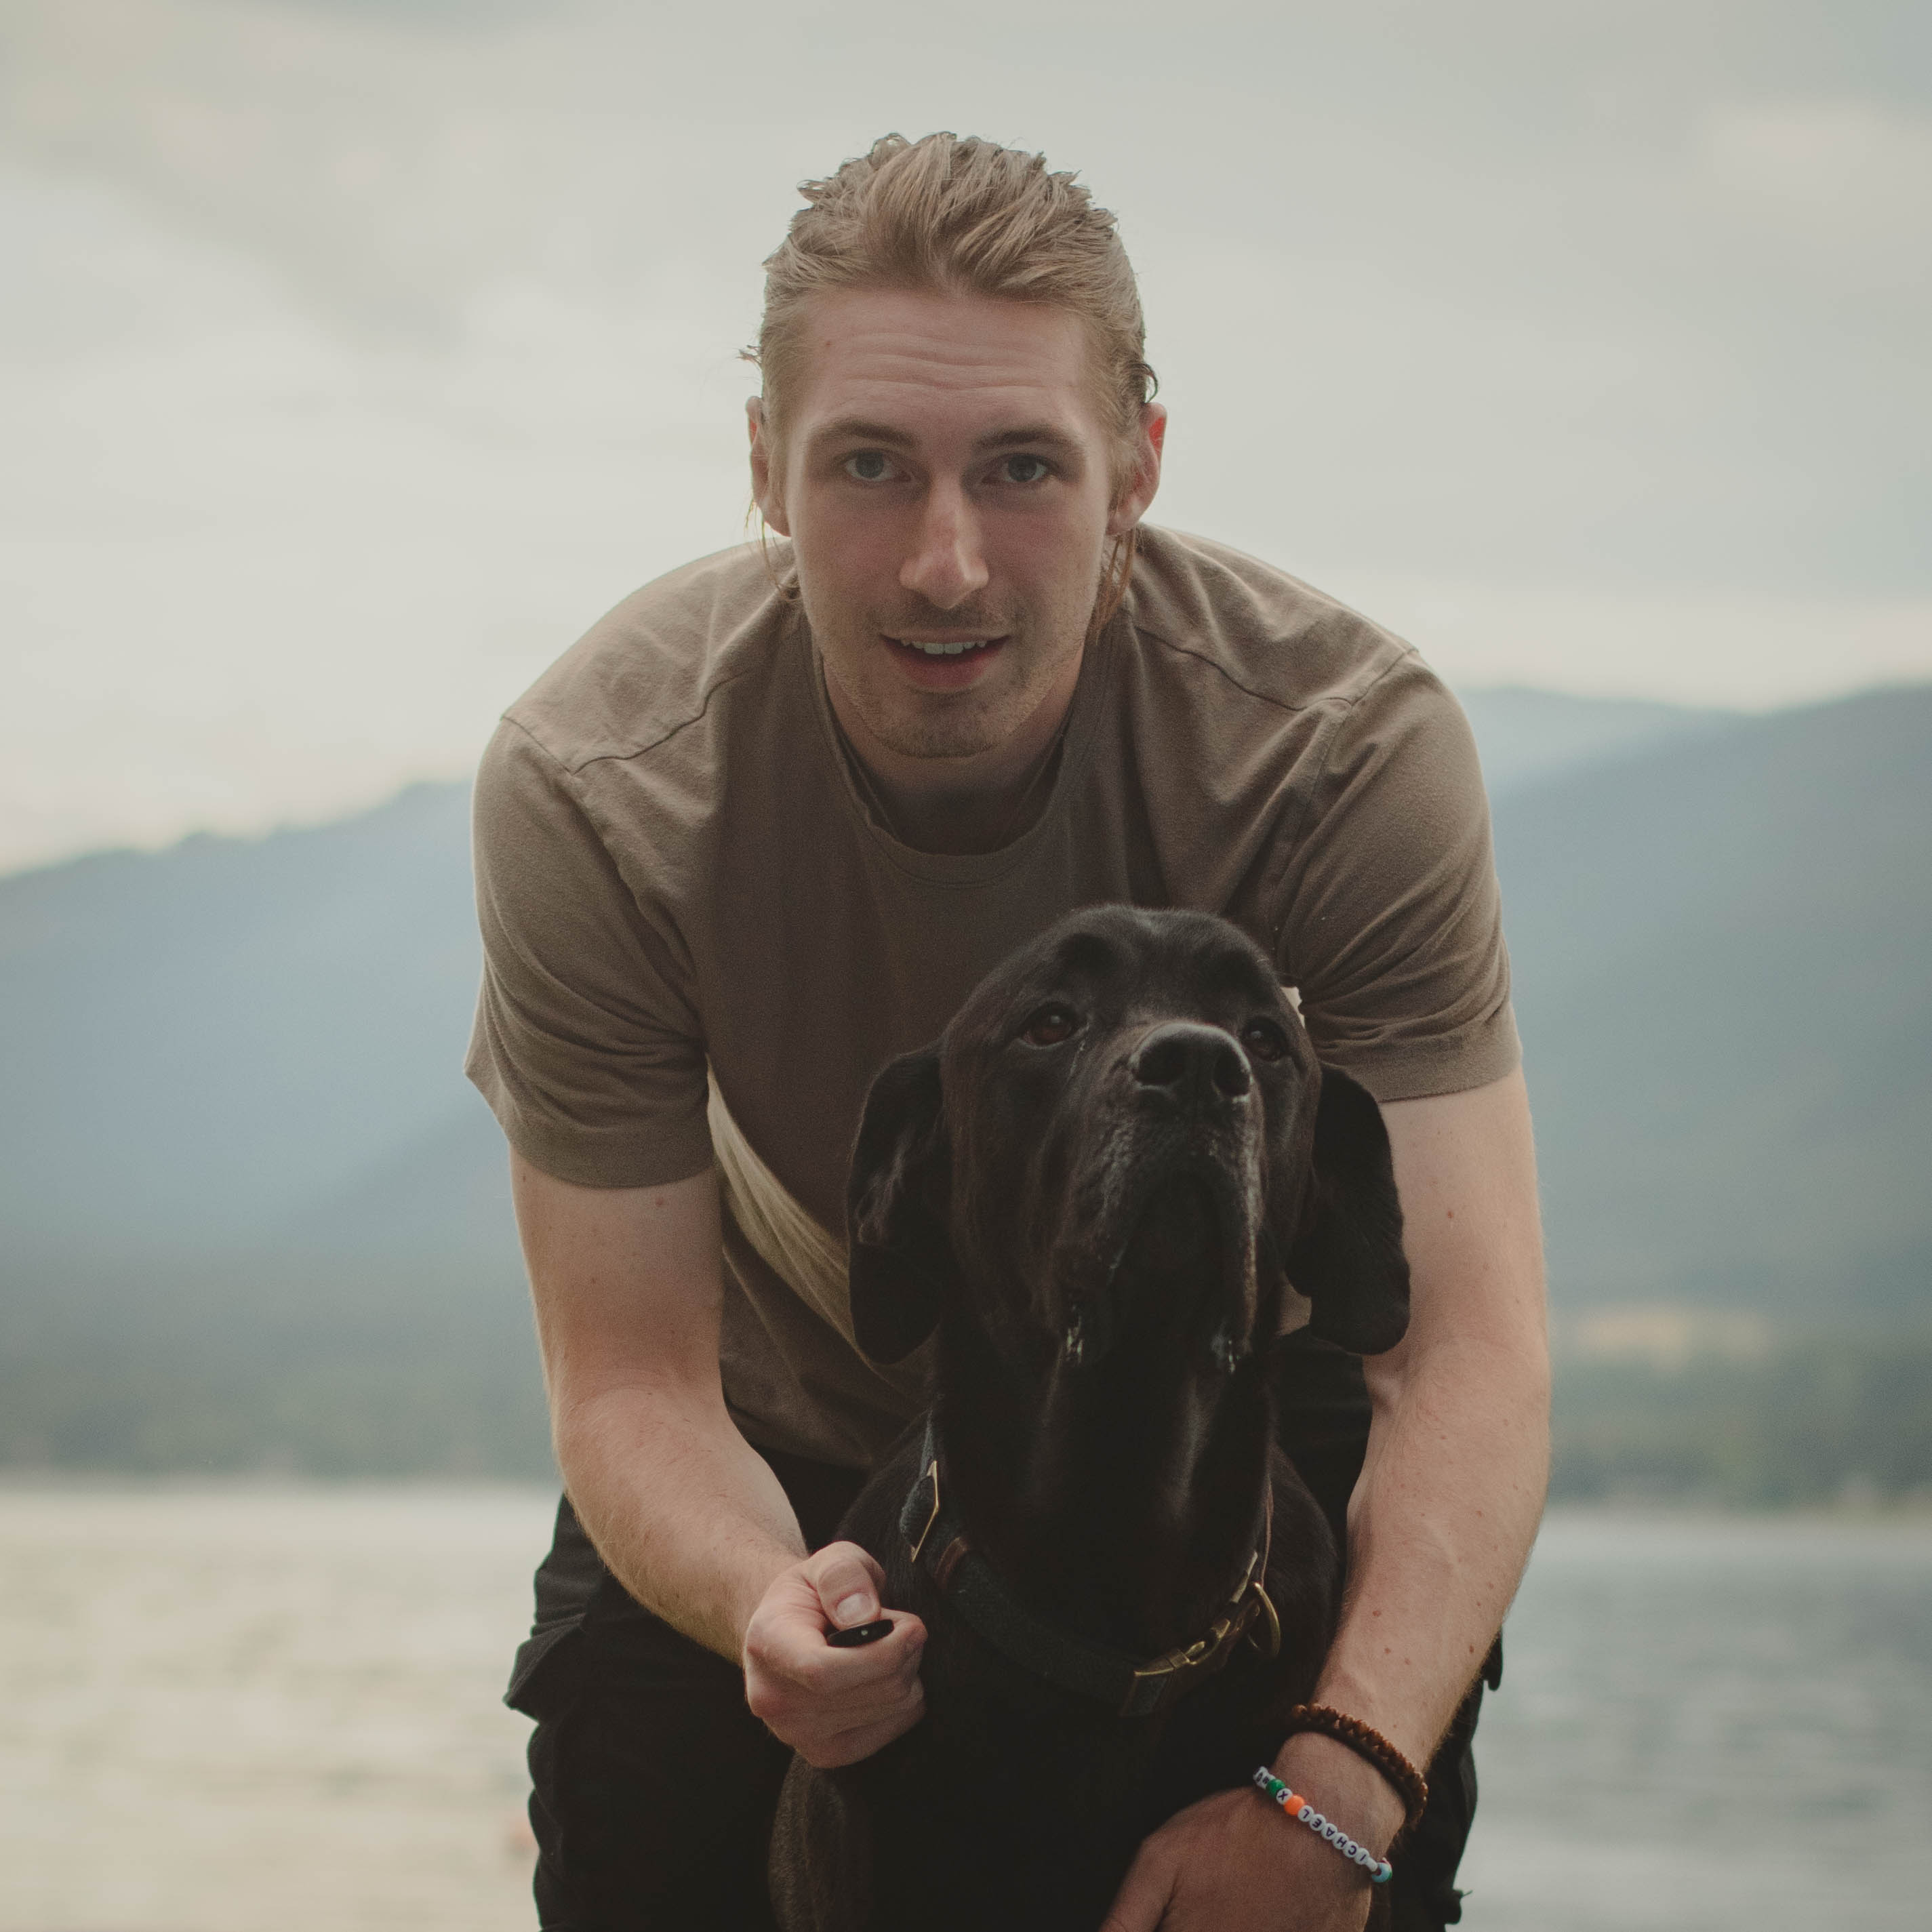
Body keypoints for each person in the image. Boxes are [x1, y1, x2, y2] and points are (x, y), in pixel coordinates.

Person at [466, 132, 1548, 1932]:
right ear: (762, 470)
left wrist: (1338, 1777)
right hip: (780, 1440)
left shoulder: (1339, 750)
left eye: (1023, 468)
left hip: (1215, 1455)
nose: (946, 565)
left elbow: (1461, 1357)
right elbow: (631, 1372)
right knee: (631, 1800)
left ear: (1135, 469)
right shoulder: (600, 788)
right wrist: (761, 1593)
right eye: (869, 467)